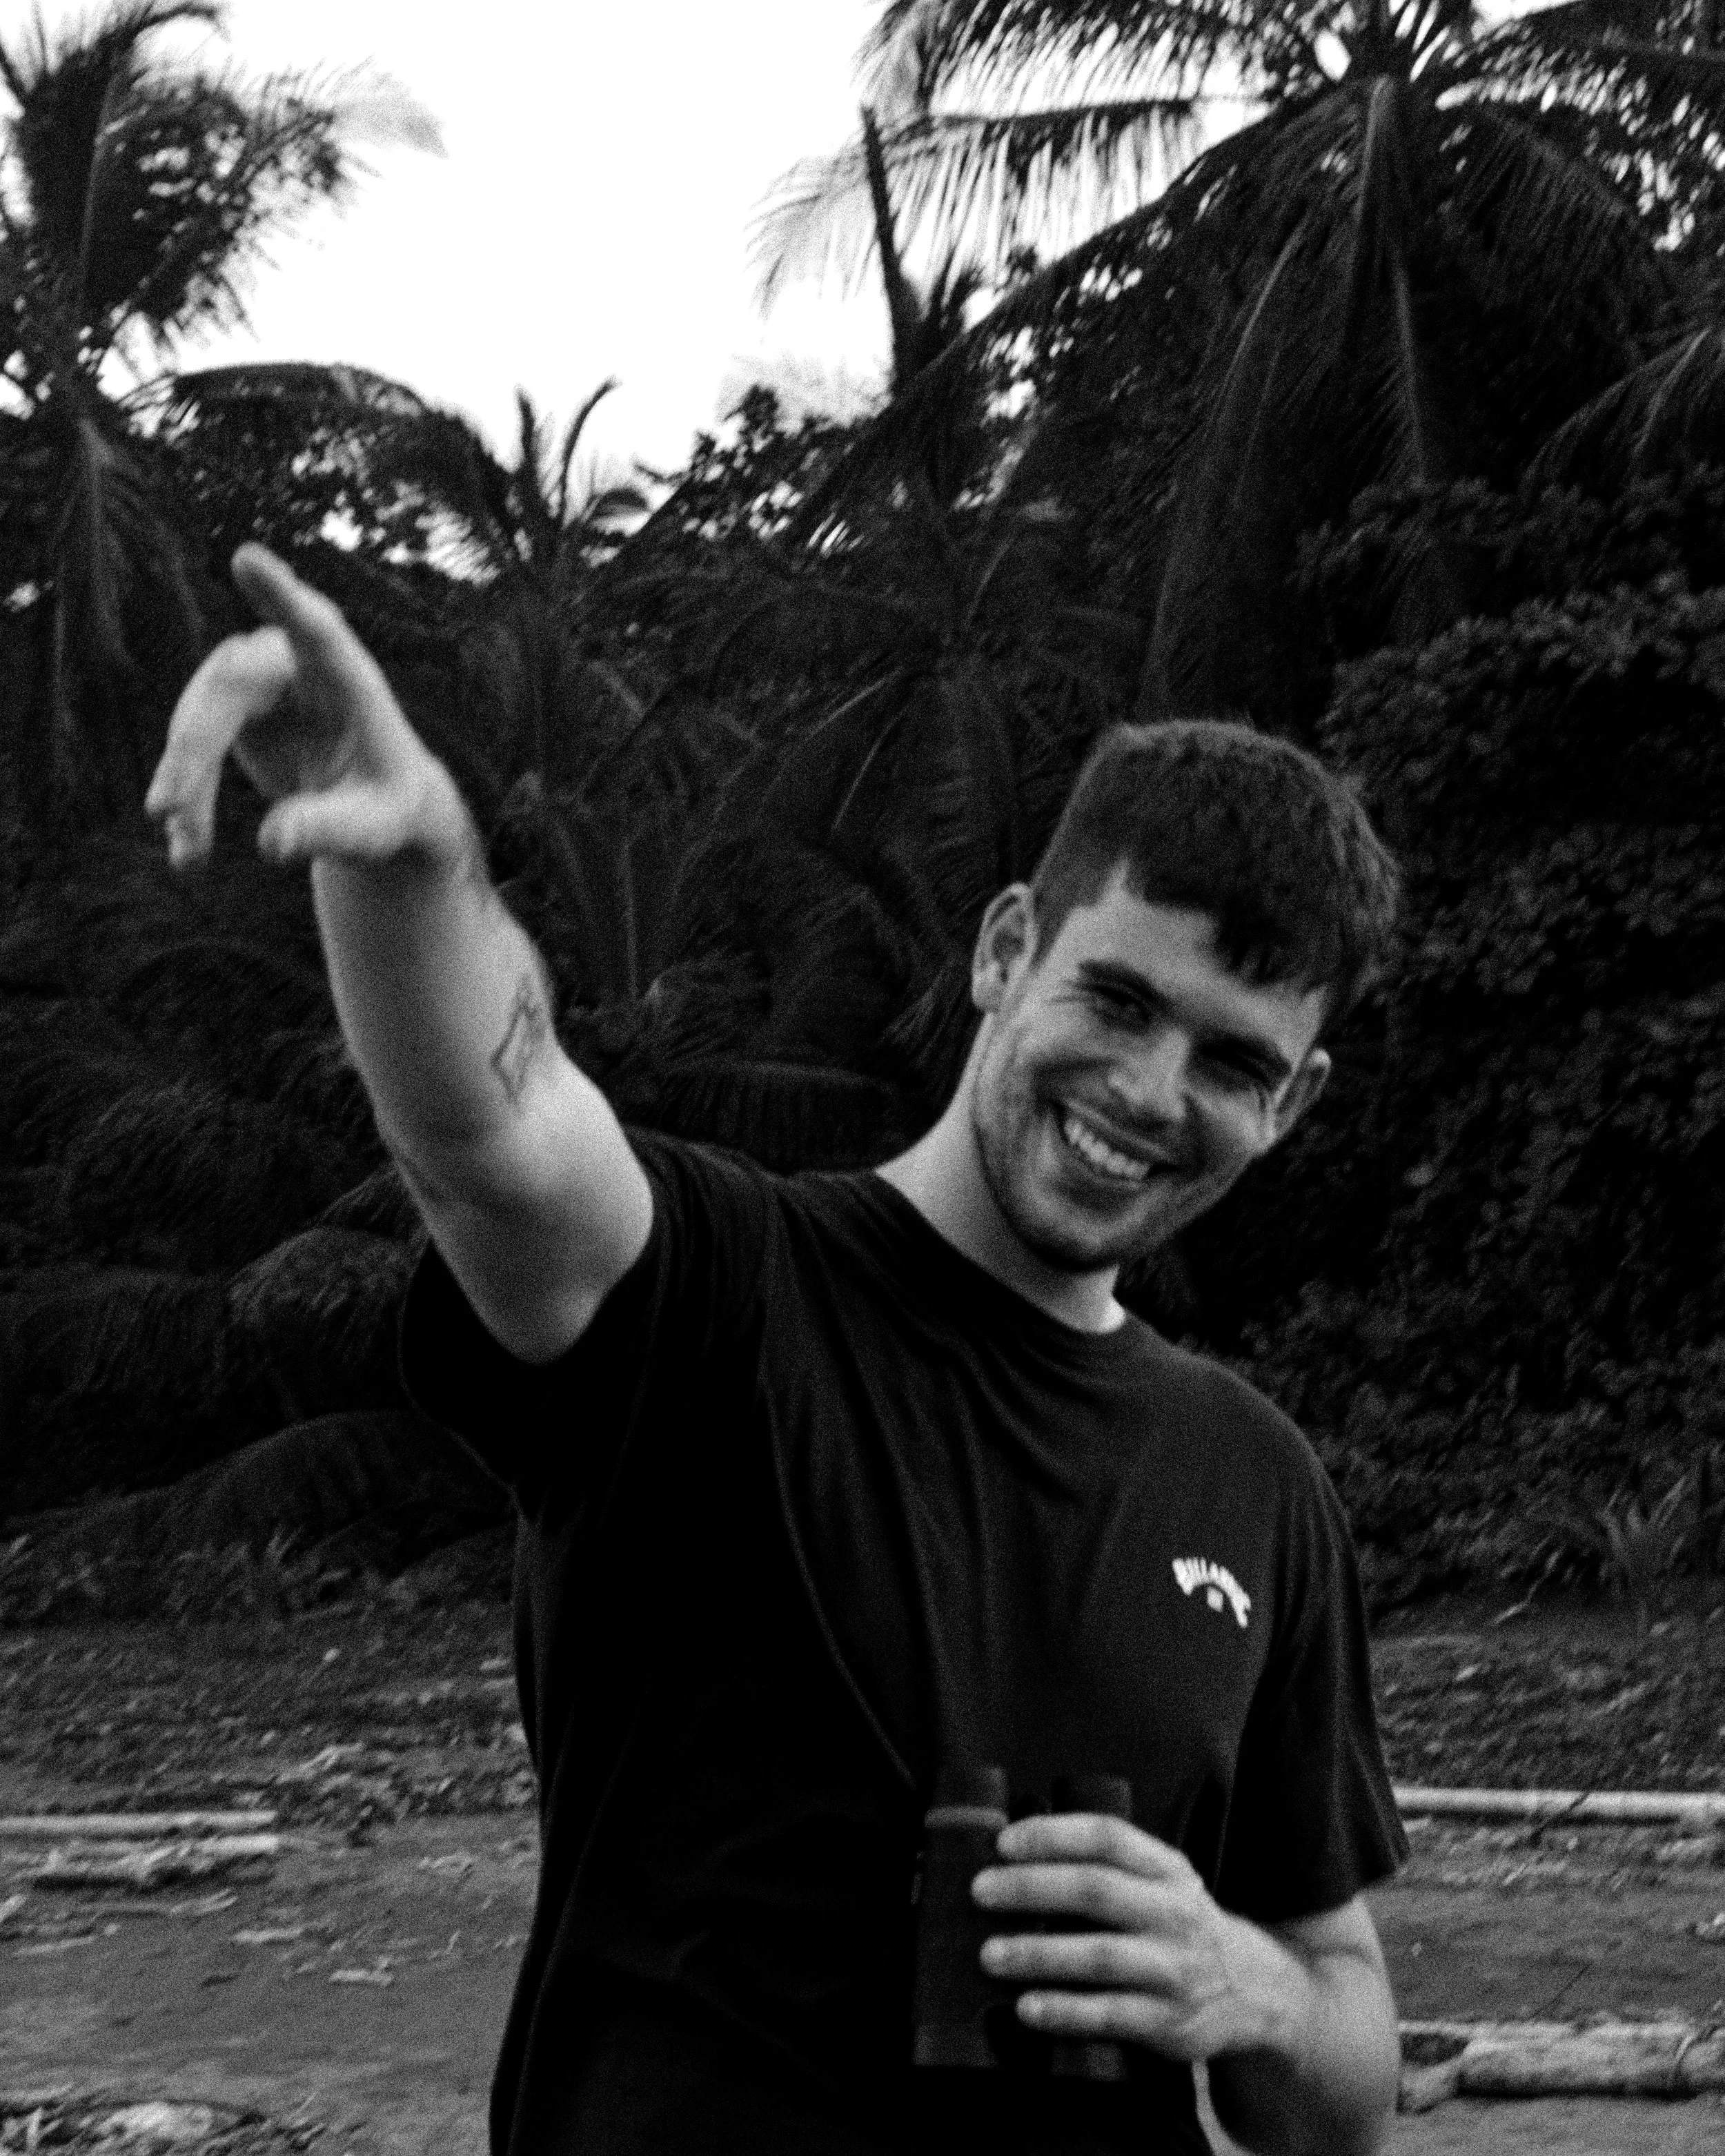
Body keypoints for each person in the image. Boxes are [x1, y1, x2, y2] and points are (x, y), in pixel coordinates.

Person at [147, 545, 1408, 2156]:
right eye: (1114, 997)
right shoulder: (720, 1295)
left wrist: (1250, 1987)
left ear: (1288, 1105)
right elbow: (499, 1131)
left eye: (1232, 1060)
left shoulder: (1254, 1479)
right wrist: (414, 871)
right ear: (1003, 948)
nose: (1152, 1091)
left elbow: (1342, 2061)